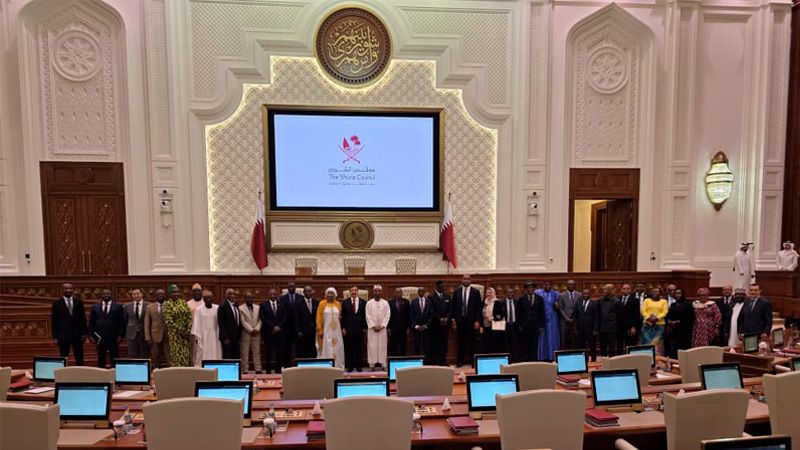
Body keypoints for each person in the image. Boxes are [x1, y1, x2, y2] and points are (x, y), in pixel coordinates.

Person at [89, 288, 124, 368]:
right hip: (99, 337)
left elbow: (122, 322)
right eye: (104, 294)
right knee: (101, 357)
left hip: (114, 337)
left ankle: (115, 373)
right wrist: (90, 335)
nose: (106, 295)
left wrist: (120, 335)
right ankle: (101, 374)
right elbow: (91, 322)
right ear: (101, 295)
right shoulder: (95, 307)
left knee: (114, 357)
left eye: (108, 293)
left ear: (111, 295)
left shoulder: (118, 306)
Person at [451, 274, 482, 367]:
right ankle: (460, 361)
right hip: (460, 321)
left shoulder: (475, 292)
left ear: (470, 280)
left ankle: (472, 361)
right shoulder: (457, 291)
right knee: (460, 342)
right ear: (462, 280)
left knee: (471, 342)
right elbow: (453, 307)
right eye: (464, 279)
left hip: (471, 321)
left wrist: (477, 321)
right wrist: (453, 320)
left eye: (468, 279)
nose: (466, 280)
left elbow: (478, 308)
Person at [163, 284, 192, 366]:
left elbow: (189, 316)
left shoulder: (183, 302)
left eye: (177, 292)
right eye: (173, 292)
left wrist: (188, 329)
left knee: (186, 356)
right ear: (169, 294)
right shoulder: (167, 305)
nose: (176, 294)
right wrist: (181, 331)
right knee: (176, 357)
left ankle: (186, 372)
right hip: (175, 335)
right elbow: (169, 321)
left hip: (185, 335)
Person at [260, 289, 288, 373]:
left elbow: (285, 316)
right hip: (269, 332)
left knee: (279, 352)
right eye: (271, 294)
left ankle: (278, 370)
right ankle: (268, 370)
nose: (273, 296)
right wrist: (273, 327)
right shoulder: (263, 305)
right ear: (268, 295)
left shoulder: (282, 304)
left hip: (280, 332)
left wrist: (279, 326)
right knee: (268, 352)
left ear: (277, 295)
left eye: (274, 294)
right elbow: (263, 318)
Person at [316, 287, 344, 368]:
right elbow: (318, 317)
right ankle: (327, 367)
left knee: (338, 347)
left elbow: (340, 317)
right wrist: (320, 330)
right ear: (326, 295)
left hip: (337, 332)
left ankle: (338, 366)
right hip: (326, 331)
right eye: (329, 293)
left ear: (335, 295)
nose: (330, 295)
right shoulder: (322, 304)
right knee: (327, 347)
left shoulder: (338, 304)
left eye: (332, 293)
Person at [192, 289, 221, 364]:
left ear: (212, 298)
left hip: (215, 336)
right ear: (203, 299)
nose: (208, 299)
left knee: (215, 353)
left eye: (210, 297)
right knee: (202, 354)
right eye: (206, 298)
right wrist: (197, 337)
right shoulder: (199, 309)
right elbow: (196, 324)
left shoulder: (217, 308)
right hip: (203, 336)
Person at [342, 286, 367, 372]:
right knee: (349, 348)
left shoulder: (363, 302)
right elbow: (343, 316)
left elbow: (365, 316)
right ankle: (350, 366)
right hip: (348, 329)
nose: (353, 292)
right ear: (349, 292)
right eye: (352, 290)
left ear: (357, 291)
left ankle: (359, 366)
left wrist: (365, 328)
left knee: (359, 348)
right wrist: (343, 328)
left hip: (360, 329)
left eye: (355, 290)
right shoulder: (345, 302)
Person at [366, 285, 390, 370]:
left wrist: (382, 326)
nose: (377, 292)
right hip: (372, 329)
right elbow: (368, 316)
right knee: (372, 346)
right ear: (373, 292)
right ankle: (372, 365)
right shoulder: (369, 303)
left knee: (382, 346)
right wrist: (373, 326)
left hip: (382, 329)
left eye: (379, 291)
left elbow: (387, 316)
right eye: (375, 291)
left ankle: (384, 364)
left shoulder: (385, 303)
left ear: (381, 292)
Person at [496, 288, 523, 362]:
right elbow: (498, 313)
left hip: (515, 326)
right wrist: (498, 317)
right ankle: (507, 359)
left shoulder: (517, 302)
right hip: (506, 325)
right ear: (506, 293)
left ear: (513, 293)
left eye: (511, 292)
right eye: (509, 292)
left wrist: (520, 325)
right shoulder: (502, 302)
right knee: (506, 344)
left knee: (515, 343)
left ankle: (515, 359)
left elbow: (520, 314)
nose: (510, 294)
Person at [519, 282, 544, 361]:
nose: (530, 289)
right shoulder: (521, 299)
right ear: (526, 289)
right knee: (525, 344)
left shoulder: (539, 298)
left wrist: (541, 325)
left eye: (531, 288)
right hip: (525, 326)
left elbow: (542, 312)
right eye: (528, 288)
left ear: (534, 289)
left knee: (534, 344)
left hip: (536, 325)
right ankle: (526, 360)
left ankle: (534, 360)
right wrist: (520, 325)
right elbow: (519, 313)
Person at [535, 281, 560, 361]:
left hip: (552, 318)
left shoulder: (556, 293)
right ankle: (542, 356)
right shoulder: (538, 292)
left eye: (549, 285)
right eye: (546, 285)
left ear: (551, 286)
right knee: (542, 337)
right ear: (543, 285)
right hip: (542, 317)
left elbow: (559, 304)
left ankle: (552, 356)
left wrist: (557, 304)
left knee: (552, 337)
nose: (547, 286)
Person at [144, 289, 169, 368]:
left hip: (168, 335)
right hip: (154, 336)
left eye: (162, 294)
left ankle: (170, 372)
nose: (161, 296)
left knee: (169, 358)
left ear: (165, 296)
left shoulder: (170, 306)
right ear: (155, 296)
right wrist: (148, 337)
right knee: (155, 358)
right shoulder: (150, 307)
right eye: (159, 294)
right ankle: (156, 372)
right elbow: (147, 323)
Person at [665, 289, 693, 358]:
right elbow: (669, 315)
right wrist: (669, 321)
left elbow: (690, 317)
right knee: (674, 348)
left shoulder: (687, 304)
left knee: (683, 349)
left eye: (679, 293)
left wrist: (678, 321)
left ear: (682, 294)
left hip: (684, 330)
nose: (678, 295)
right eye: (676, 293)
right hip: (674, 330)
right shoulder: (673, 304)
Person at [428, 281, 451, 366]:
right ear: (437, 287)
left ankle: (443, 361)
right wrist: (440, 319)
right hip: (435, 325)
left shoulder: (447, 296)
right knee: (435, 344)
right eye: (442, 286)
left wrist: (446, 318)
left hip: (445, 325)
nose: (444, 288)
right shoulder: (431, 297)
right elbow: (431, 311)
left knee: (444, 344)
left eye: (445, 286)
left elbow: (450, 309)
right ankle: (436, 362)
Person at [239, 291, 262, 373]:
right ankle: (245, 369)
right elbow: (243, 321)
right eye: (247, 297)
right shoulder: (240, 308)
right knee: (244, 353)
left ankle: (258, 369)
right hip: (246, 333)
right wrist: (251, 330)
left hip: (257, 333)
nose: (249, 299)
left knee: (257, 352)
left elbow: (261, 319)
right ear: (244, 298)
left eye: (250, 297)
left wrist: (257, 329)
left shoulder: (258, 307)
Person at [640, 288, 668, 355]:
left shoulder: (664, 301)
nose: (655, 293)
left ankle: (658, 358)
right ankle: (647, 358)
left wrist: (656, 318)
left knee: (657, 343)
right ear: (651, 293)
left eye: (657, 291)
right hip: (647, 324)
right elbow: (643, 311)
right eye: (654, 291)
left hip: (659, 325)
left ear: (660, 293)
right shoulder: (646, 300)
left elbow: (665, 312)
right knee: (647, 342)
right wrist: (648, 318)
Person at [574, 288, 599, 361]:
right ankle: (583, 360)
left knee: (592, 346)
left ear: (590, 294)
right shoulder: (578, 303)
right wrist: (575, 328)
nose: (585, 295)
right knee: (581, 346)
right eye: (584, 294)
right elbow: (575, 317)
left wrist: (595, 329)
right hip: (580, 329)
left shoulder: (594, 304)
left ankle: (593, 360)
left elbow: (597, 317)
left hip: (591, 329)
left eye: (587, 293)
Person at [293, 286, 318, 359]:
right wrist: (298, 330)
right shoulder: (298, 303)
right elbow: (296, 318)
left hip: (313, 331)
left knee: (312, 349)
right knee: (303, 350)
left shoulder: (316, 302)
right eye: (307, 291)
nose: (308, 293)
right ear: (304, 293)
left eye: (310, 291)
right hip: (303, 331)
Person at [279, 283, 301, 363]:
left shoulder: (300, 297)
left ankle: (298, 365)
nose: (291, 288)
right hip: (286, 327)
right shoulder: (282, 298)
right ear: (287, 288)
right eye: (290, 287)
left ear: (295, 288)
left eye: (293, 286)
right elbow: (281, 312)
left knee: (299, 348)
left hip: (298, 327)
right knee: (286, 349)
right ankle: (287, 365)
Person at [124, 288, 149, 359]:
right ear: (132, 295)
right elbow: (125, 320)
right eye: (134, 294)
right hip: (131, 335)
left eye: (138, 294)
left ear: (142, 294)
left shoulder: (148, 305)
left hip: (144, 334)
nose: (136, 295)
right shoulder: (127, 306)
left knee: (144, 355)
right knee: (132, 355)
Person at [597, 284, 620, 357]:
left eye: (606, 289)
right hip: (602, 327)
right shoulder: (600, 301)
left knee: (611, 346)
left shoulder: (616, 301)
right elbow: (598, 315)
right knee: (602, 346)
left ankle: (612, 361)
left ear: (611, 290)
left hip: (612, 327)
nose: (604, 291)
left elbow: (619, 316)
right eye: (604, 289)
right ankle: (603, 360)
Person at [217, 288, 241, 359]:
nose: (232, 296)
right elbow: (221, 323)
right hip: (227, 337)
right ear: (226, 295)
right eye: (230, 294)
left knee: (236, 356)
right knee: (228, 356)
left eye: (233, 294)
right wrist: (225, 338)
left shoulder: (236, 305)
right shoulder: (222, 306)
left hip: (236, 336)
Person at [617, 283, 640, 354]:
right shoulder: (618, 299)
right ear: (621, 290)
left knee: (629, 344)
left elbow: (636, 314)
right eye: (624, 288)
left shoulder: (635, 300)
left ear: (630, 290)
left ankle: (629, 358)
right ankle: (619, 358)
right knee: (619, 344)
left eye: (627, 289)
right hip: (619, 326)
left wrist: (633, 326)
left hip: (629, 326)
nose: (625, 290)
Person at [558, 280, 581, 350]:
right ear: (566, 285)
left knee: (575, 338)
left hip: (575, 320)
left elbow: (580, 307)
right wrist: (567, 318)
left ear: (575, 285)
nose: (571, 286)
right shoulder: (561, 295)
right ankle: (563, 352)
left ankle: (575, 352)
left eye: (572, 284)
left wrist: (574, 318)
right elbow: (560, 308)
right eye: (569, 284)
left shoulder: (579, 295)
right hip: (564, 320)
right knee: (563, 338)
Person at [388, 288, 411, 357]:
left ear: (402, 294)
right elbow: (388, 316)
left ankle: (403, 359)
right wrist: (388, 328)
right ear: (394, 293)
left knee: (403, 346)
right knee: (393, 346)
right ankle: (393, 360)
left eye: (399, 293)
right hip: (393, 328)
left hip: (403, 328)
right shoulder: (390, 302)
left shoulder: (406, 302)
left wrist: (408, 327)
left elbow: (409, 315)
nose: (398, 294)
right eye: (397, 293)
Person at [410, 287, 431, 359]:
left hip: (426, 329)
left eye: (422, 291)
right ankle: (416, 362)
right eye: (420, 291)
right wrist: (416, 326)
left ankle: (427, 362)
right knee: (417, 346)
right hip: (417, 329)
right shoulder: (414, 302)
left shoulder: (429, 301)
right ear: (418, 292)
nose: (421, 292)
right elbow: (411, 315)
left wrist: (426, 325)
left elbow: (431, 315)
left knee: (426, 347)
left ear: (424, 292)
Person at [481, 287, 502, 353]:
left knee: (494, 344)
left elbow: (501, 315)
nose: (488, 294)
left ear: (493, 293)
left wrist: (493, 318)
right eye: (487, 292)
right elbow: (480, 315)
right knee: (486, 344)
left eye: (490, 292)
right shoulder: (483, 302)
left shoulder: (497, 302)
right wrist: (481, 326)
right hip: (485, 326)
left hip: (494, 326)